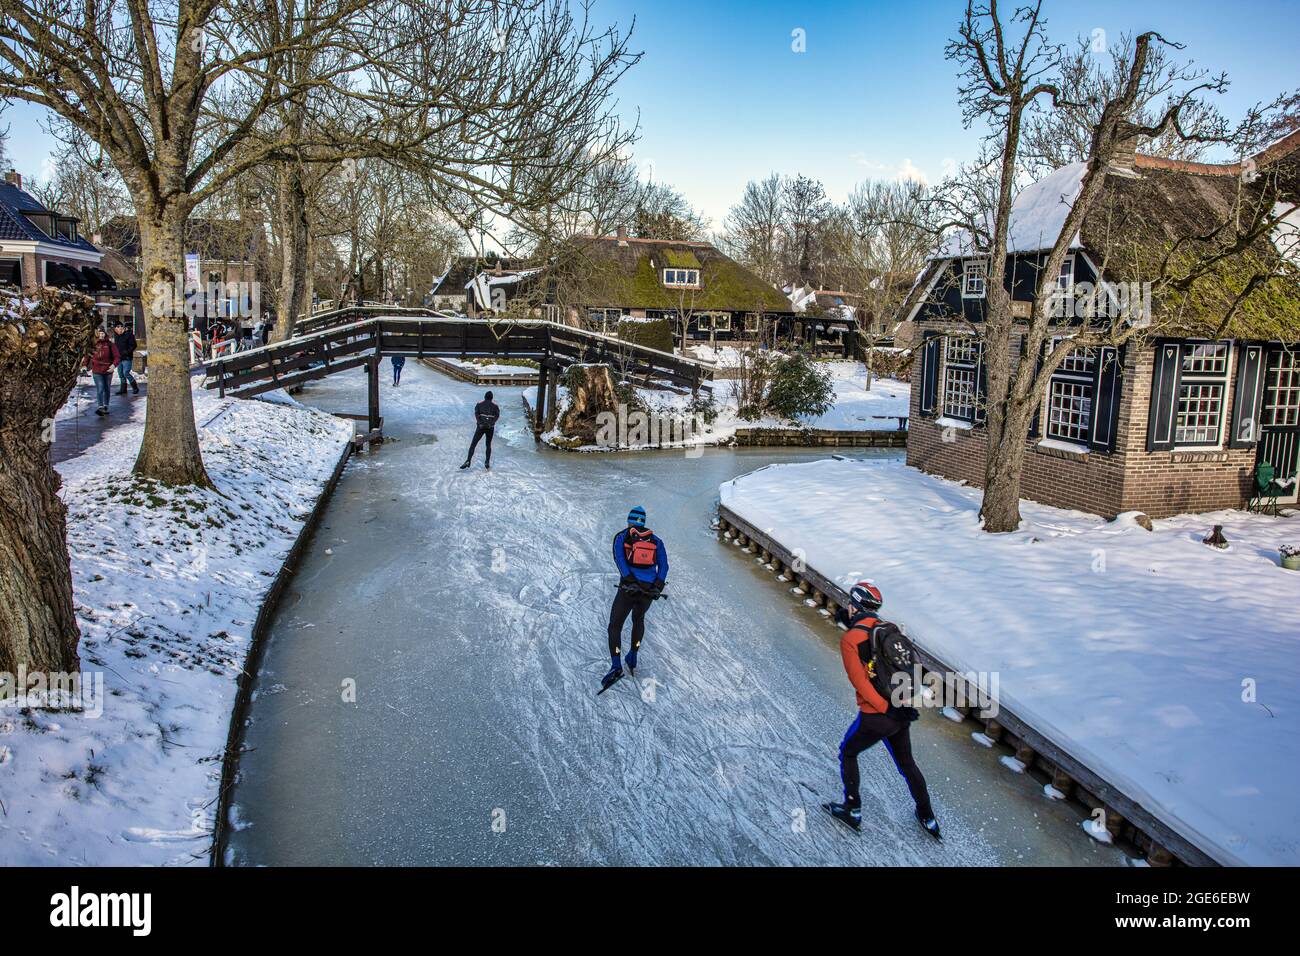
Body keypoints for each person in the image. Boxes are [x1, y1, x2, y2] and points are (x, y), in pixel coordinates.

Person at [825, 581, 940, 838]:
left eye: (850, 604)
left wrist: (885, 709)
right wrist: (902, 708)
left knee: (848, 752)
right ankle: (927, 816)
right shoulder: (887, 629)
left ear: (855, 606)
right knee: (907, 764)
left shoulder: (851, 640)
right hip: (902, 710)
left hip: (878, 715)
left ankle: (852, 810)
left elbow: (860, 681)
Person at [600, 505, 669, 690]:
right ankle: (633, 654)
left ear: (629, 521)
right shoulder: (656, 541)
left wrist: (630, 581)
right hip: (648, 590)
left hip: (628, 589)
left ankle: (616, 665)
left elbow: (620, 560)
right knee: (638, 619)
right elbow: (664, 567)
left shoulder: (622, 537)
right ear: (644, 522)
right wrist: (657, 586)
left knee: (615, 626)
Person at [459, 390, 500, 470]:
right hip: (490, 428)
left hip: (480, 427)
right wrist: (491, 423)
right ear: (492, 398)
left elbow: (476, 414)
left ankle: (468, 461)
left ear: (484, 397)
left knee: (473, 444)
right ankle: (487, 462)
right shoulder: (495, 406)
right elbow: (497, 416)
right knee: (488, 445)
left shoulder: (479, 404)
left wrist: (480, 423)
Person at [85, 326, 120, 416]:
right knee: (100, 388)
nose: (101, 335)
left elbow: (117, 357)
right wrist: (84, 365)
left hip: (108, 370)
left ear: (105, 334)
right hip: (97, 370)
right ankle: (100, 407)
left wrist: (113, 365)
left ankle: (106, 406)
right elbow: (88, 356)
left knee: (107, 388)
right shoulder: (93, 345)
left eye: (103, 333)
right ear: (97, 334)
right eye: (99, 333)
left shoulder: (110, 344)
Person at [112, 320, 139, 395]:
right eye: (117, 327)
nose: (119, 328)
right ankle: (123, 389)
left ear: (122, 327)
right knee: (121, 374)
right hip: (119, 358)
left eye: (120, 327)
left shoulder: (129, 335)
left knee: (126, 372)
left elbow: (133, 345)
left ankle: (135, 387)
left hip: (127, 357)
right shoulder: (116, 336)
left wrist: (127, 352)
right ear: (115, 329)